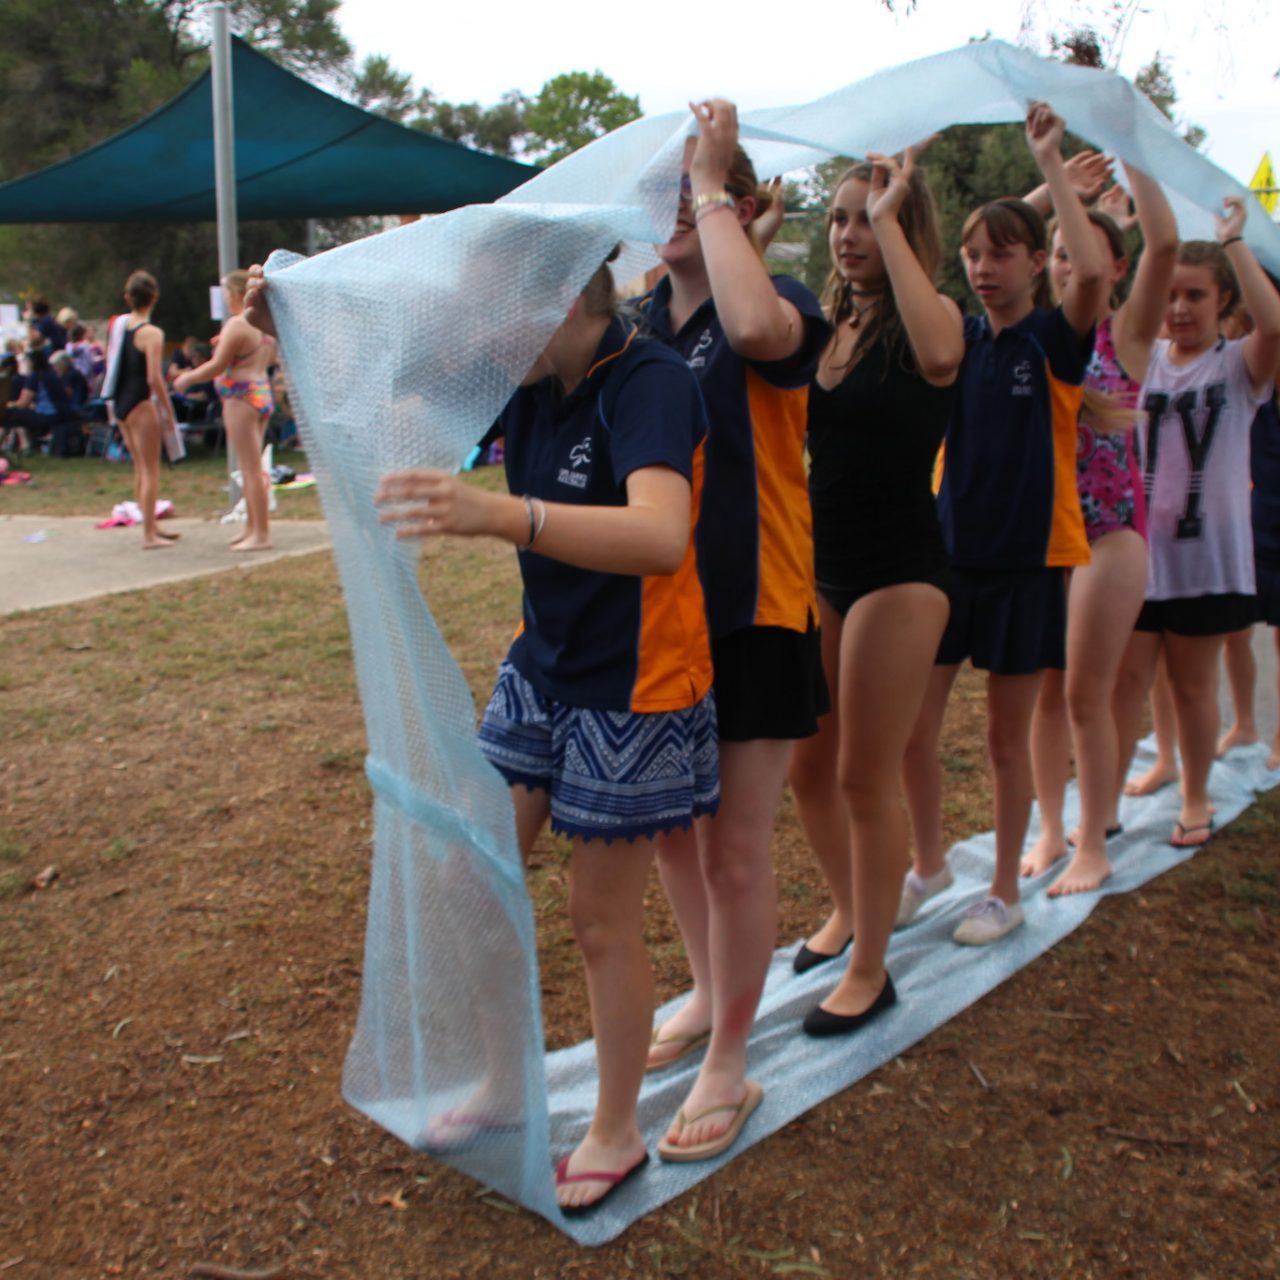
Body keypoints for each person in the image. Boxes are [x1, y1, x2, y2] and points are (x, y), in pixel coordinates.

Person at [374, 253, 718, 1214]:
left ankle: (616, 1130)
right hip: (545, 665)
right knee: (468, 874)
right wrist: (296, 323)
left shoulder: (649, 382)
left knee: (600, 921)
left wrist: (504, 516)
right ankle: (507, 1086)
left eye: (494, 319)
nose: (481, 344)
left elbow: (660, 537)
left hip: (636, 682)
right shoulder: (530, 376)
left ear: (562, 298)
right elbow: (395, 384)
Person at [637, 100, 830, 1154]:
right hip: (661, 619)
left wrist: (715, 184)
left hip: (756, 611)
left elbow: (755, 331)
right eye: (664, 189)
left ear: (736, 204)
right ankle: (708, 989)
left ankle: (730, 1061)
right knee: (671, 828)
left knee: (735, 853)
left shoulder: (779, 298)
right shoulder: (632, 322)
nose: (675, 205)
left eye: (695, 188)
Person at [899, 102, 1109, 944]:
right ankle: (926, 864)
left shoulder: (1053, 344)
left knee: (1003, 738)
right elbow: (975, 268)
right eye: (973, 255)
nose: (983, 268)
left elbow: (1090, 275)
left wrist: (1050, 170)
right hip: (949, 561)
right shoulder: (960, 338)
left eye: (1002, 254)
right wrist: (1010, 215)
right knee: (914, 727)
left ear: (1035, 262)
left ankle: (1003, 892)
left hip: (1026, 563)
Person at [784, 147, 963, 1034]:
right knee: (807, 767)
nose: (850, 234)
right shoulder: (827, 327)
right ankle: (855, 906)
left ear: (900, 221)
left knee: (863, 773)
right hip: (826, 571)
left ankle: (870, 968)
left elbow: (939, 359)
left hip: (902, 573)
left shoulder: (933, 320)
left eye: (868, 216)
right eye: (841, 218)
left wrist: (892, 220)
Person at [1019, 165, 1178, 895]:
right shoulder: (1030, 338)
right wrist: (1053, 186)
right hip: (1043, 540)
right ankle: (1052, 828)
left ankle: (1096, 841)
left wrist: (1126, 137)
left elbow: (1168, 244)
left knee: (1086, 694)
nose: (1061, 262)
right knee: (1044, 695)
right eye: (1053, 250)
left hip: (1110, 538)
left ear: (1113, 266)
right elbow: (997, 236)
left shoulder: (1129, 334)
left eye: (1074, 251)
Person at [1112, 210, 1280, 846]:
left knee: (1191, 684)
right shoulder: (1141, 359)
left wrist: (1235, 240)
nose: (1179, 308)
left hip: (1208, 559)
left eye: (1196, 295)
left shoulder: (1239, 367)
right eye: (1172, 294)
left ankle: (1195, 798)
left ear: (1223, 301)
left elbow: (1276, 323)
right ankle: (1148, 770)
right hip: (1138, 559)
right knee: (1132, 681)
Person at [175, 271, 276, 550]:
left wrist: (188, 378)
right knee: (253, 467)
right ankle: (253, 527)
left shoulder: (238, 324)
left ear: (234, 294)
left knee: (250, 469)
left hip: (240, 396)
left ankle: (260, 533)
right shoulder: (266, 326)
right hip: (260, 391)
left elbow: (217, 366)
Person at [102, 271, 179, 550]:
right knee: (151, 470)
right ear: (154, 297)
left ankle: (150, 524)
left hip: (121, 403)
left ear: (127, 298)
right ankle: (149, 534)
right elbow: (153, 378)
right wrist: (167, 407)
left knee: (140, 467)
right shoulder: (152, 334)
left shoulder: (119, 329)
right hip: (141, 403)